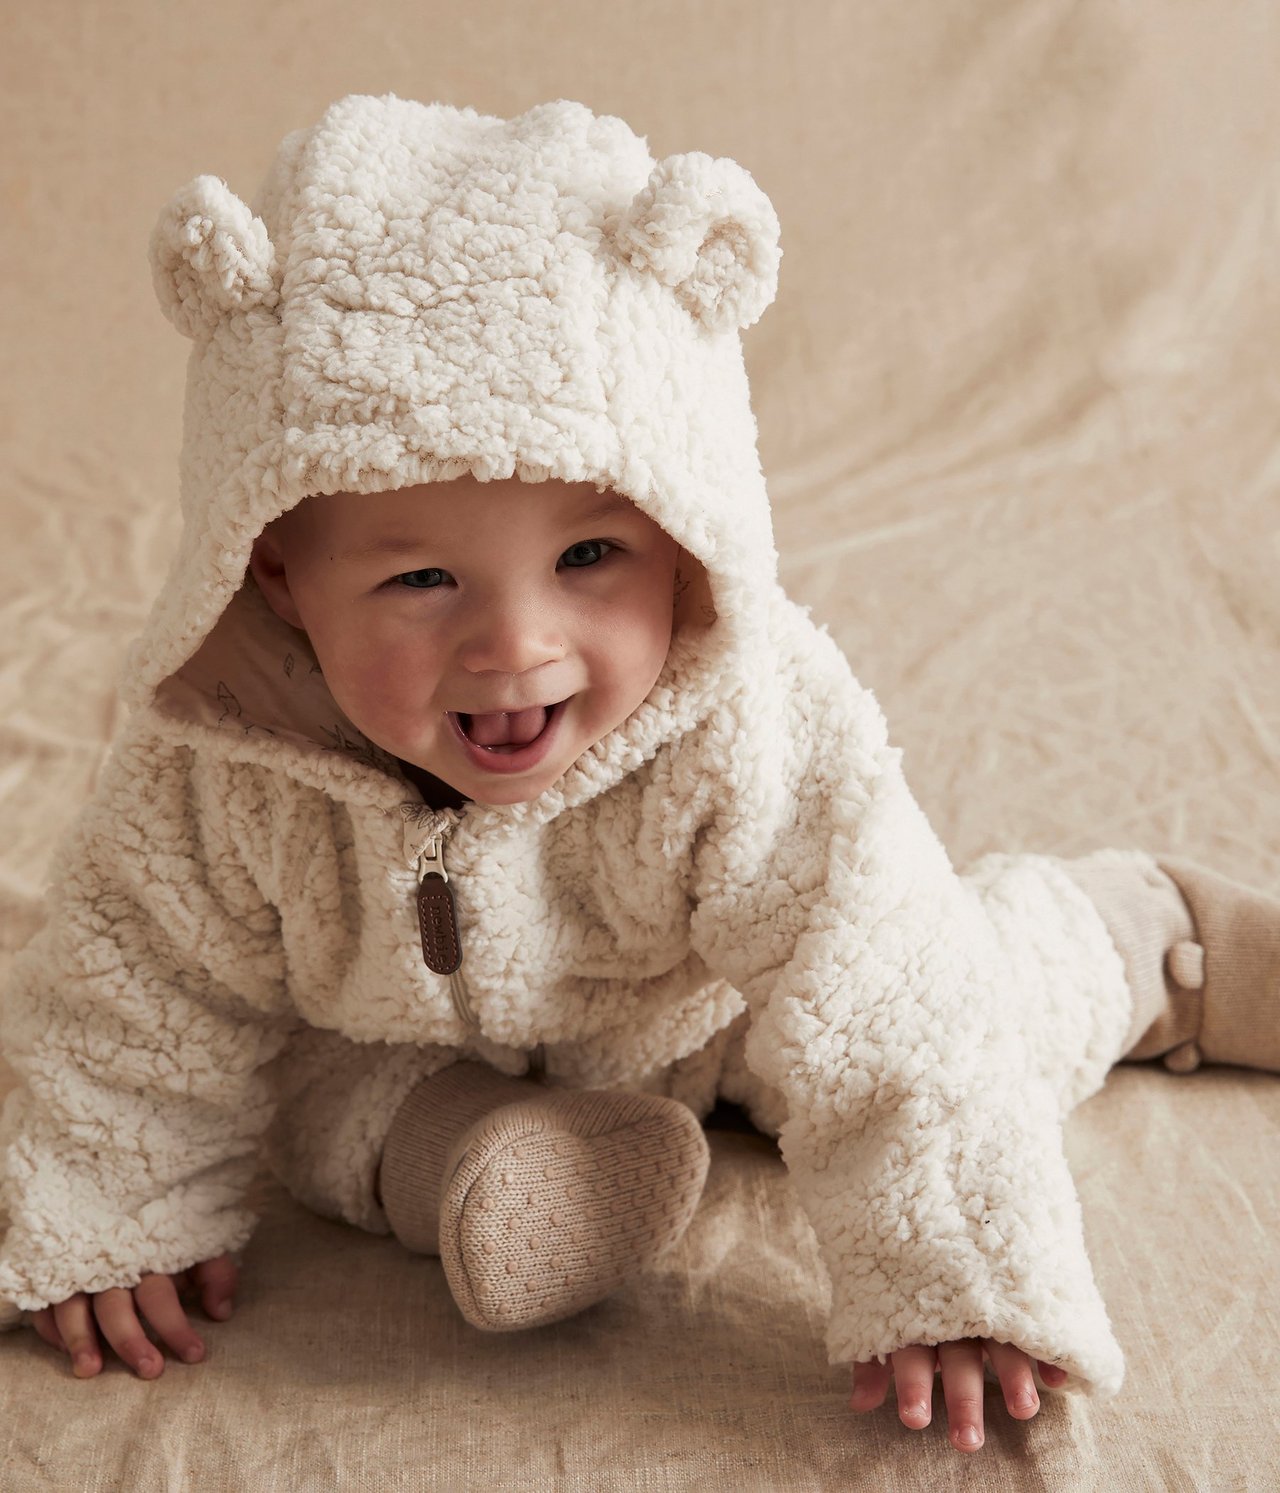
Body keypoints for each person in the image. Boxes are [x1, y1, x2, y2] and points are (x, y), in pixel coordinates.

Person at [0, 93, 1276, 1458]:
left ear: (684, 533)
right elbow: (134, 985)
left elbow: (887, 993)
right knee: (310, 1112)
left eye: (591, 558)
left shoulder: (751, 727)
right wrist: (108, 1208)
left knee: (958, 1000)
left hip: (708, 997)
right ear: (276, 576)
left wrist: (949, 1275)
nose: (516, 645)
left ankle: (1151, 938)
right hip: (382, 1031)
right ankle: (517, 1169)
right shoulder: (224, 765)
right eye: (421, 578)